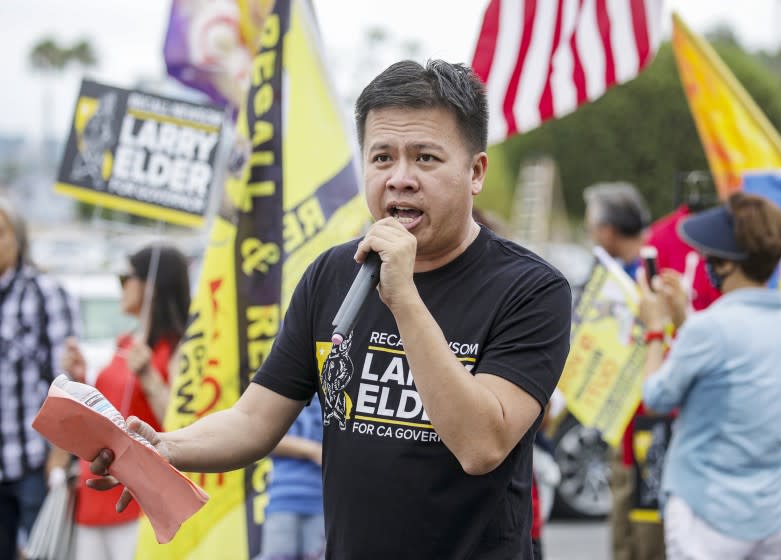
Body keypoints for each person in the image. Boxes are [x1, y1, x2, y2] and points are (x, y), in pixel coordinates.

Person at [87, 59, 572, 559]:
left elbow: (481, 445)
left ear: (475, 172)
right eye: (382, 158)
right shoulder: (333, 274)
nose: (400, 178)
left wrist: (404, 298)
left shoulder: (531, 289)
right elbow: (254, 420)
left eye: (425, 158)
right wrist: (167, 447)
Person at [638, 192, 781, 559]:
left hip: (707, 512)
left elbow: (655, 398)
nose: (707, 262)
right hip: (773, 515)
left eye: (712, 256)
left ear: (729, 265)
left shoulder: (711, 330)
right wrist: (684, 318)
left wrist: (654, 329)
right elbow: (730, 353)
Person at [60, 244, 191, 560]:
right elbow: (110, 411)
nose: (121, 285)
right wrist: (79, 381)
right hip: (95, 486)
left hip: (139, 496)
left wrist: (148, 377)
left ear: (151, 285)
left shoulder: (178, 350)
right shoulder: (125, 343)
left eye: (126, 277)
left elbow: (182, 422)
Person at [582, 182, 664, 560]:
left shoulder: (652, 274)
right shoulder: (625, 272)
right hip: (624, 424)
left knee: (645, 533)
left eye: (591, 226)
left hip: (651, 425)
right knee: (626, 527)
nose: (591, 235)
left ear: (608, 231)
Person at [0, 196, 80, 559]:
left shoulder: (45, 292)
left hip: (35, 459)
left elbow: (65, 380)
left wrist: (60, 453)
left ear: (18, 239)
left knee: (43, 552)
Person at [261, 399, 325, 560]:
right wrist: (312, 450)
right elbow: (263, 440)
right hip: (284, 499)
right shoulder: (283, 394)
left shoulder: (334, 395)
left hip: (322, 503)